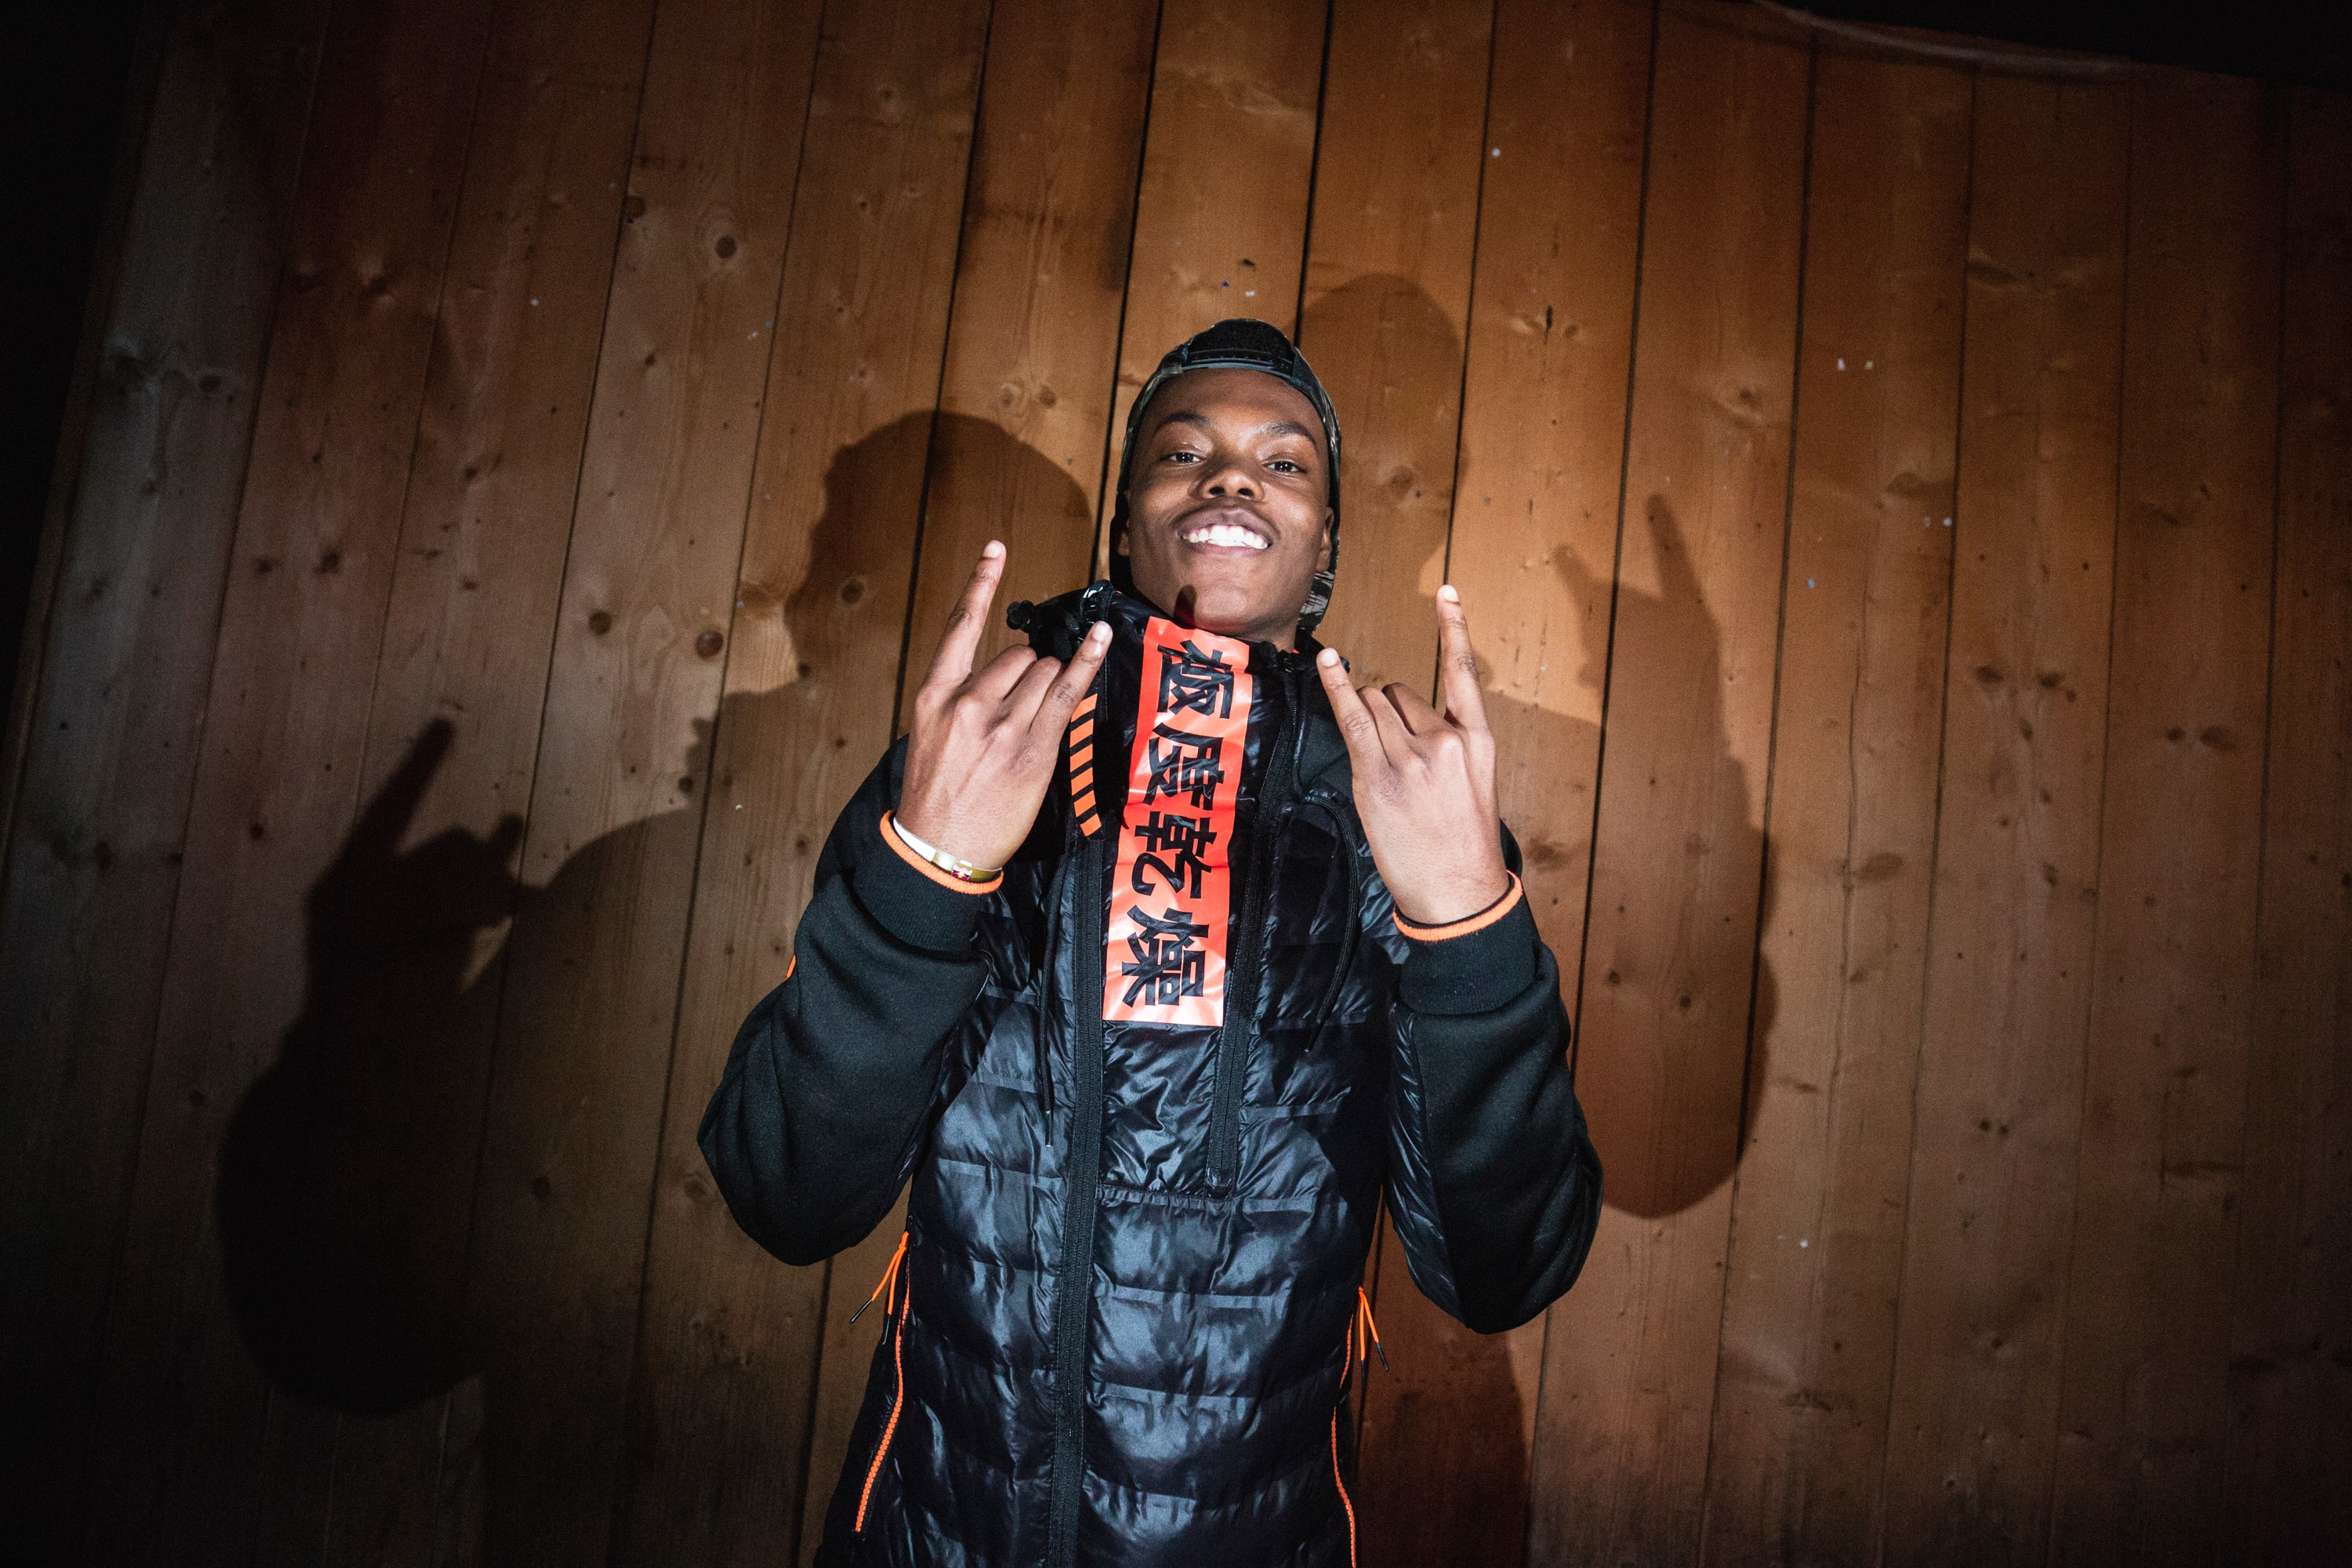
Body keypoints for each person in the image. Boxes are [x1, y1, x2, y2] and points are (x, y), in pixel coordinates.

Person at [701, 319, 1602, 1567]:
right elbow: (783, 1192)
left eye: (1284, 463)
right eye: (1183, 453)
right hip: (930, 1528)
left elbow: (1507, 1271)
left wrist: (1465, 922)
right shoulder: (973, 755)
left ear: (1325, 542)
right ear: (1127, 525)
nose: (1230, 479)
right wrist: (927, 873)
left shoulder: (1398, 802)